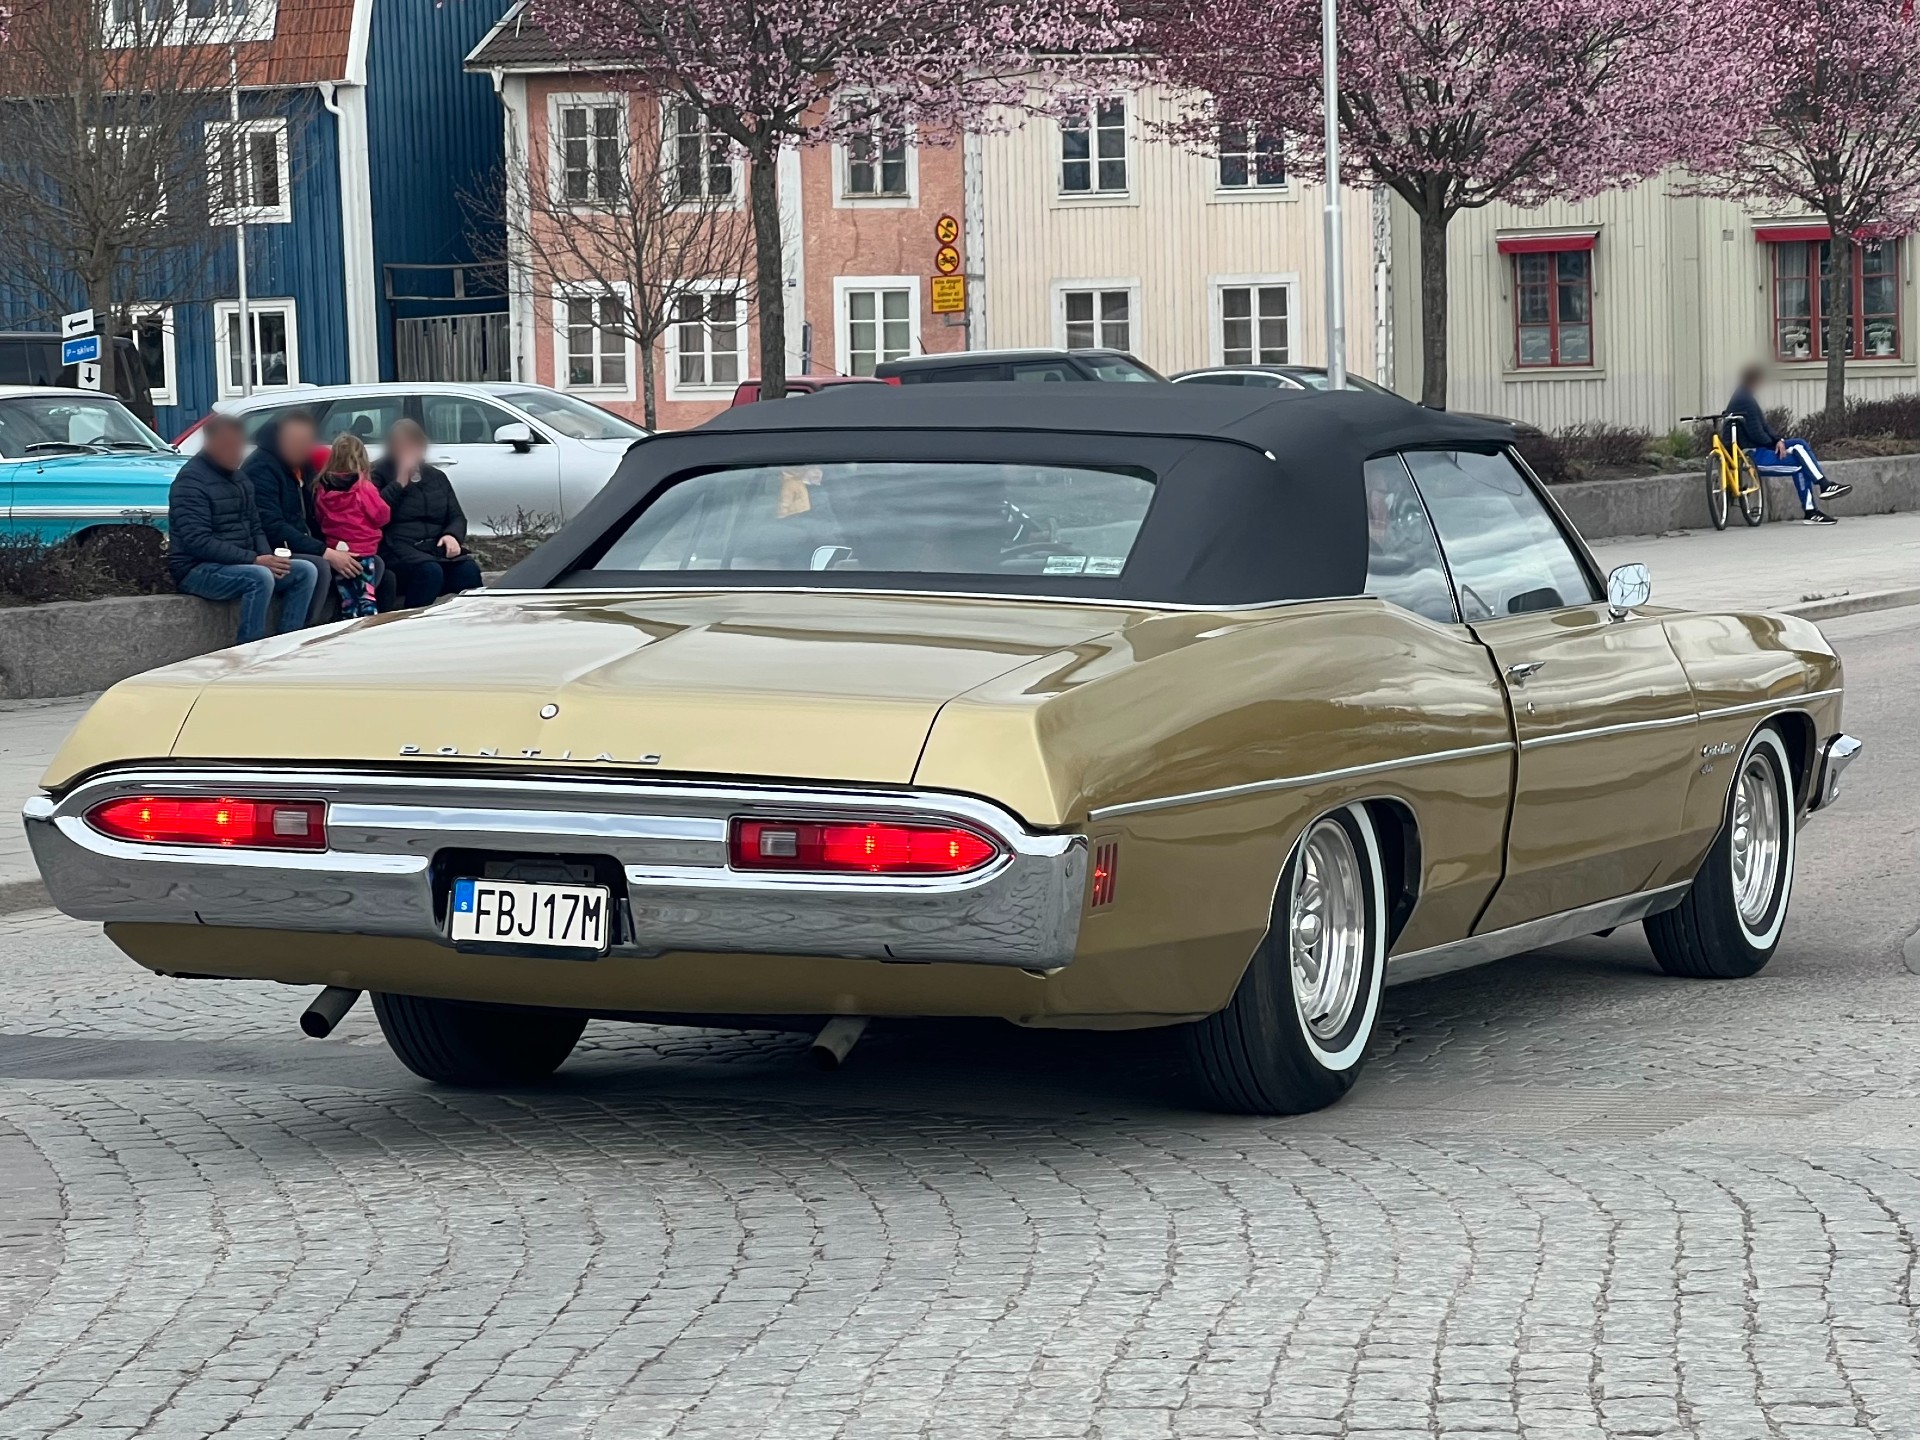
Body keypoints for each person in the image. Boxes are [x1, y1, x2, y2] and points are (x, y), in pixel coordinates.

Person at [166, 413, 319, 645]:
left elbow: (256, 526)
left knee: (305, 571)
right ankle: (249, 649)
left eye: (239, 446)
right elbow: (197, 540)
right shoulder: (190, 481)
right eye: (229, 446)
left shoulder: (240, 479)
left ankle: (287, 644)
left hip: (241, 562)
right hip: (197, 569)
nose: (236, 453)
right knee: (259, 577)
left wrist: (267, 557)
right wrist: (254, 561)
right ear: (210, 444)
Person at [242, 410, 366, 611]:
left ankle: (343, 624)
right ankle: (304, 632)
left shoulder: (304, 464)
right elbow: (272, 526)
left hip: (308, 541)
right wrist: (326, 552)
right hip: (278, 548)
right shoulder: (261, 468)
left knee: (370, 563)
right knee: (319, 567)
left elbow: (317, 512)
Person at [374, 418, 482, 607]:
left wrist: (452, 535)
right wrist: (399, 483)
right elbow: (375, 512)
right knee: (429, 572)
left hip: (434, 546)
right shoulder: (378, 473)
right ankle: (410, 621)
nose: (410, 451)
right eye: (403, 447)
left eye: (415, 446)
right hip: (396, 546)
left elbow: (456, 516)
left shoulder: (436, 477)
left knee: (468, 570)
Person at [1725, 365, 1852, 525]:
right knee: (1800, 465)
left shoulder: (1744, 395)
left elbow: (1763, 426)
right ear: (1755, 381)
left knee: (1800, 444)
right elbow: (1755, 432)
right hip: (1752, 456)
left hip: (1758, 450)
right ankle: (1818, 497)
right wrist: (1774, 444)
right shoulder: (1744, 400)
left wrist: (1779, 441)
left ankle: (1820, 493)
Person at [313, 434, 391, 619]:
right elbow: (381, 515)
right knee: (367, 597)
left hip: (339, 551)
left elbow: (319, 516)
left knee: (347, 599)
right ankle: (367, 628)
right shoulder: (363, 487)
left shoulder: (322, 487)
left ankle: (347, 626)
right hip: (363, 550)